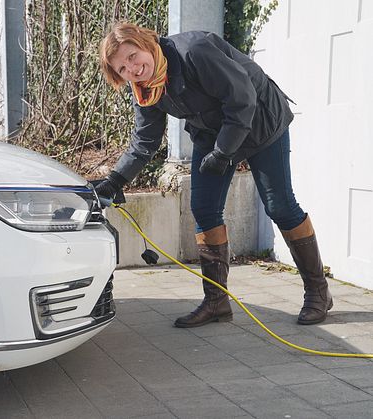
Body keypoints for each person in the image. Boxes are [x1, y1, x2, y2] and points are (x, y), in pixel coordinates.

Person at [94, 22, 332, 327]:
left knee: (280, 206)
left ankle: (318, 292)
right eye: (122, 68)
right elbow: (146, 139)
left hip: (259, 120)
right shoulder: (144, 89)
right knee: (204, 209)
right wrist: (116, 180)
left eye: (132, 56)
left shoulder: (194, 52)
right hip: (213, 130)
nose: (132, 68)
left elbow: (242, 97)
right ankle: (217, 302)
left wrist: (224, 152)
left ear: (146, 43)